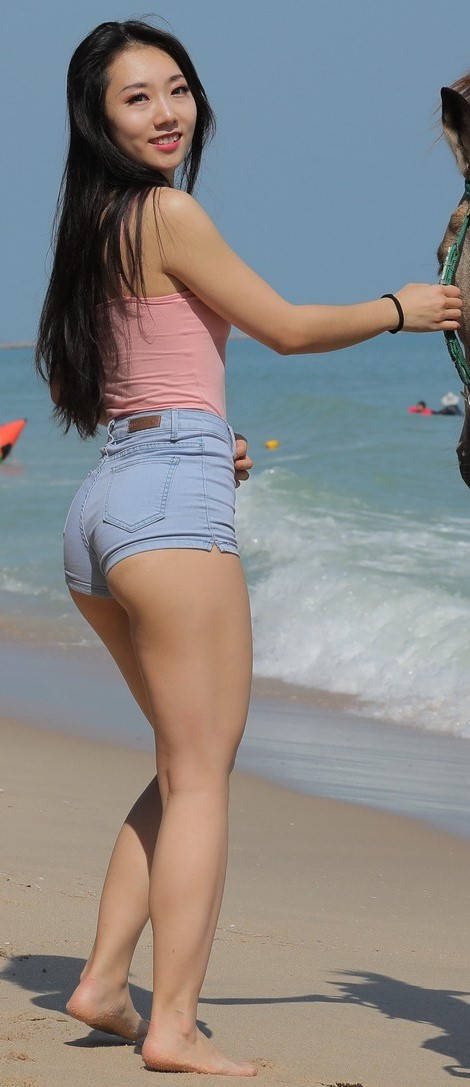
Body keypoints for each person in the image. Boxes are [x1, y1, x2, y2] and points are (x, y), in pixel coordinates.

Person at [34, 18, 462, 1078]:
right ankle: (173, 1025)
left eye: (176, 88)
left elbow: (130, 376)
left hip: (104, 506)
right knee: (201, 778)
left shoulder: (93, 227)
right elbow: (284, 328)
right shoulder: (168, 212)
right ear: (97, 119)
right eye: (137, 97)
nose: (166, 112)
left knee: (182, 764)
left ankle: (104, 983)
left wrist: (197, 438)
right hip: (168, 505)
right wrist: (400, 308)